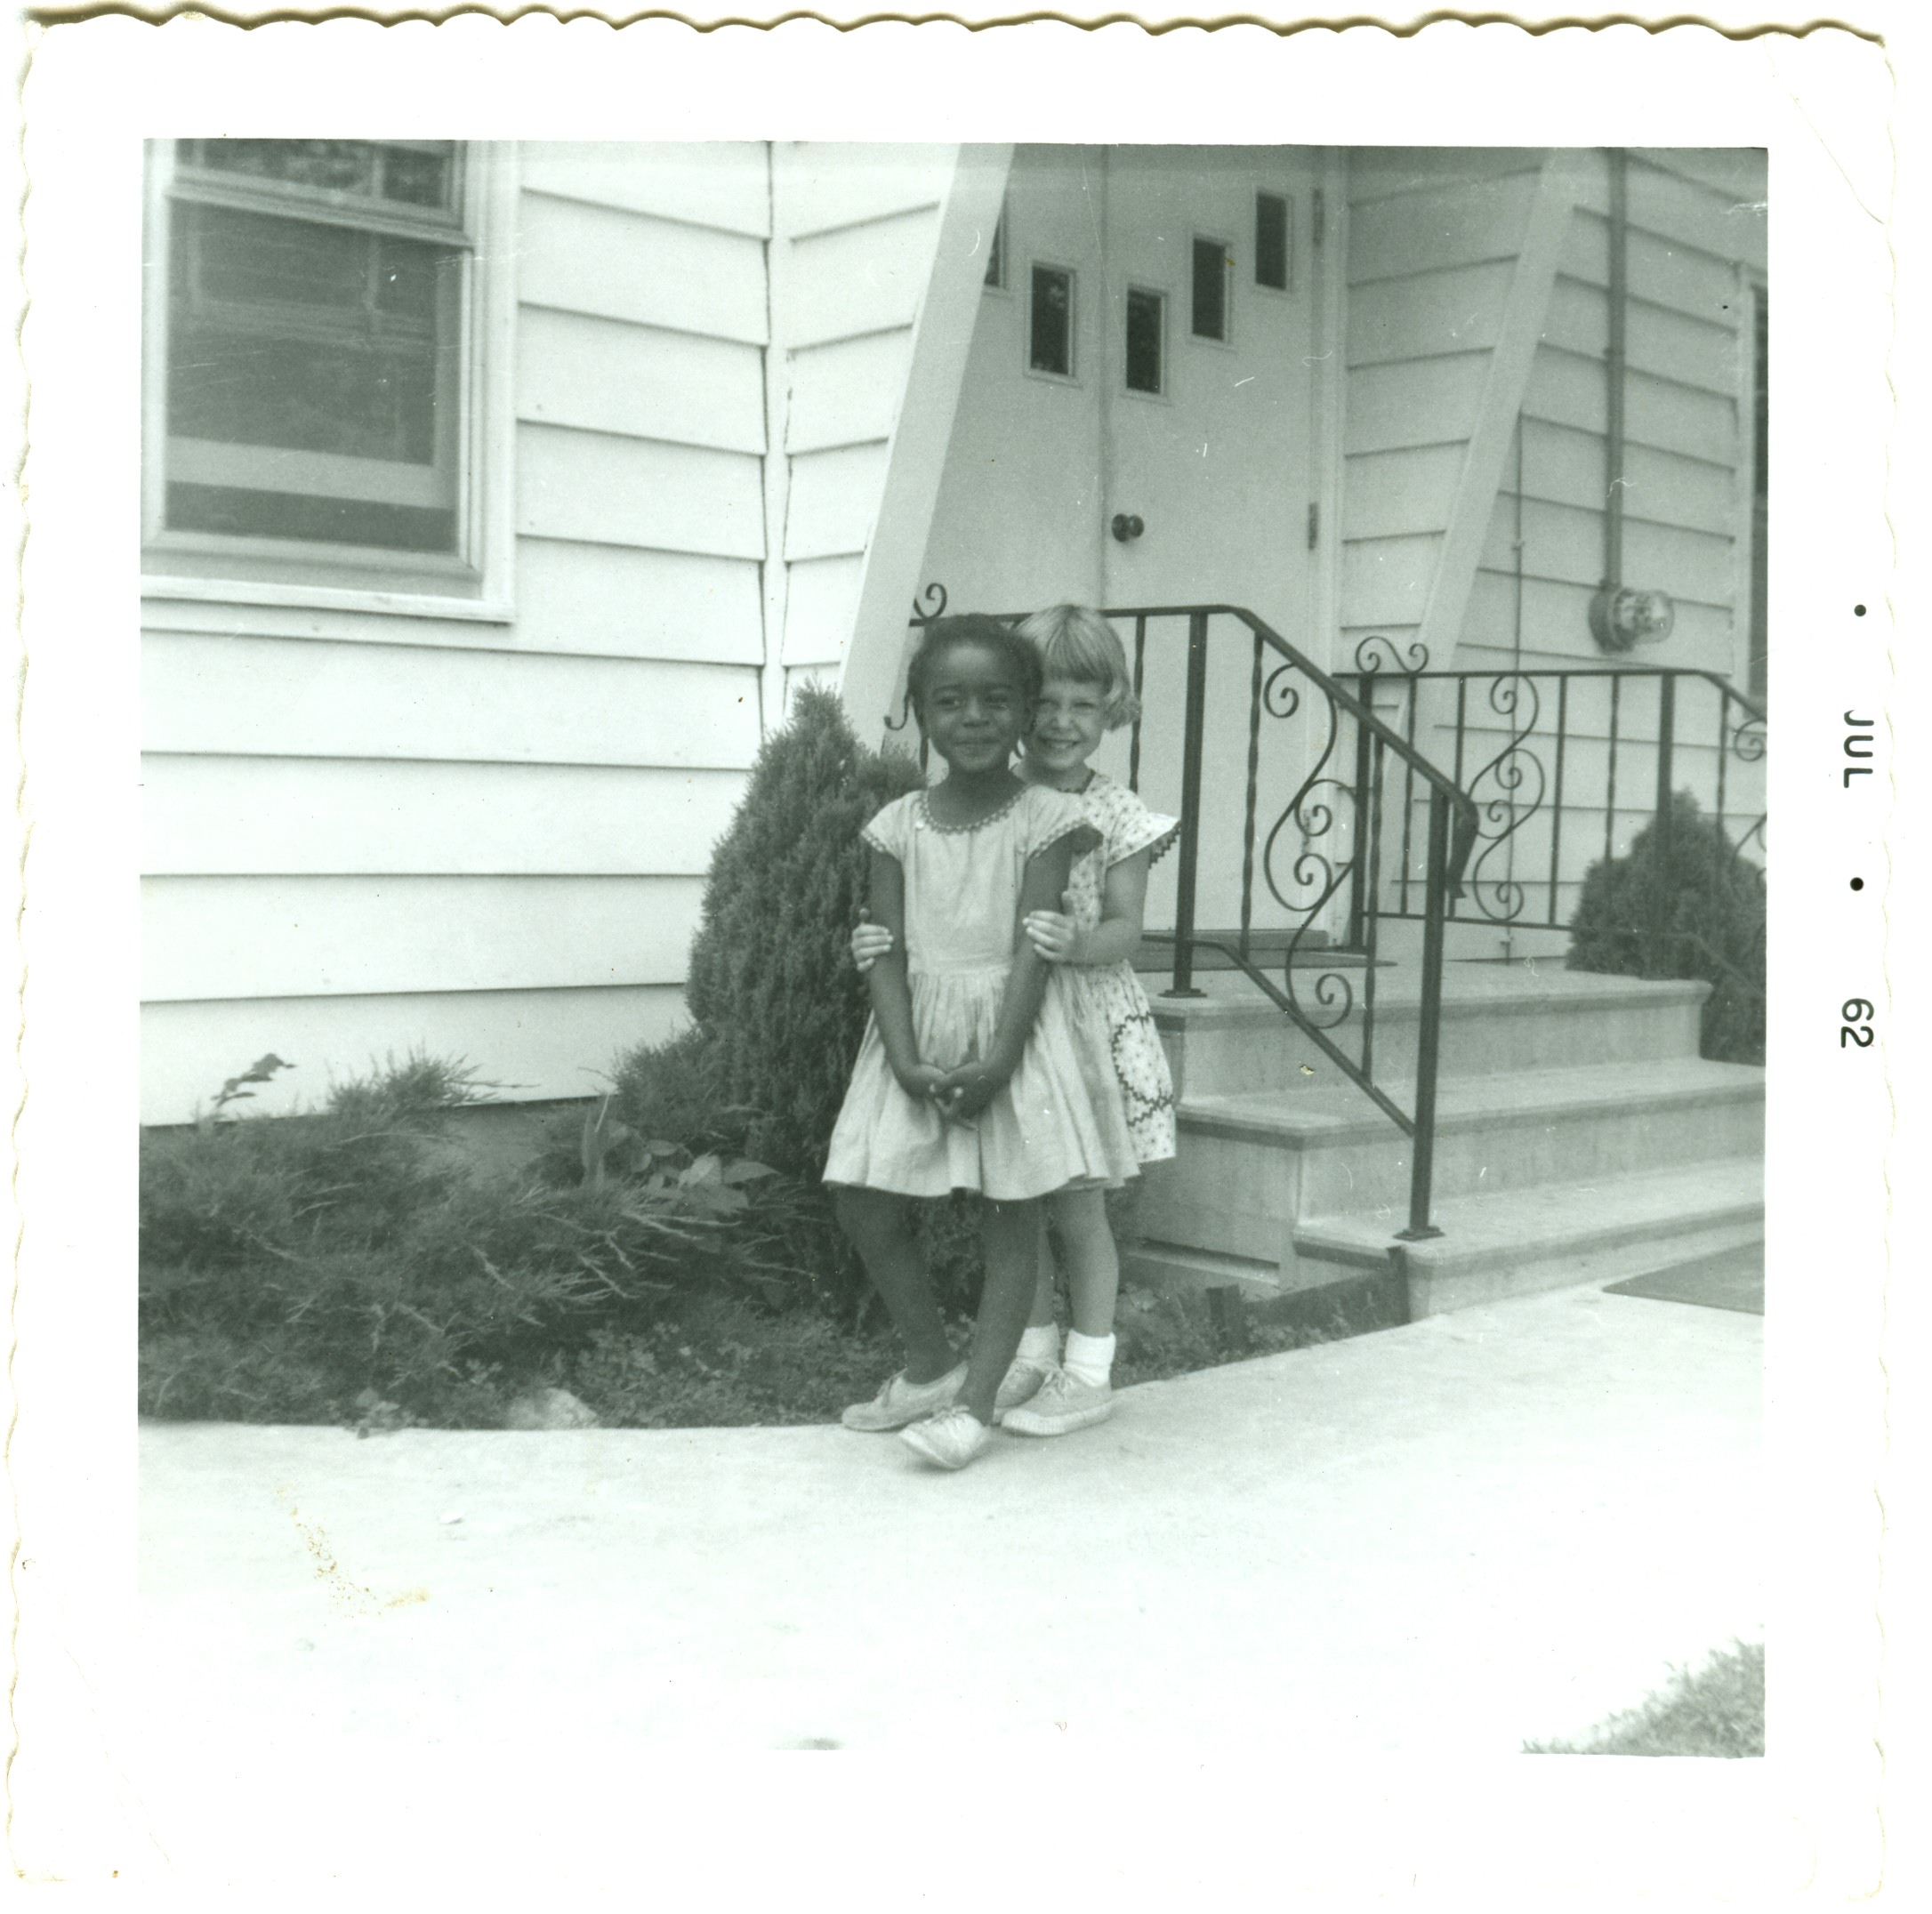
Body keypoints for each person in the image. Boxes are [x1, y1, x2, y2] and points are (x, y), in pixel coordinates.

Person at [854, 604, 1179, 1437]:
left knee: (1078, 1207)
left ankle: (1089, 1369)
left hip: (1079, 1023)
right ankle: (1029, 1354)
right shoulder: (993, 794)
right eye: (1049, 704)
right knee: (1016, 1192)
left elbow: (1128, 929)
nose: (1063, 722)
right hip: (1010, 1021)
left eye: (1085, 705)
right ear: (1025, 705)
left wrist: (1078, 942)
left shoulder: (1115, 812)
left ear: (1111, 709)